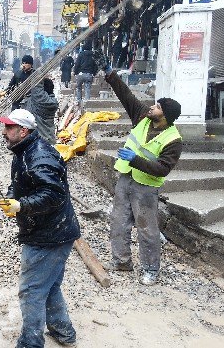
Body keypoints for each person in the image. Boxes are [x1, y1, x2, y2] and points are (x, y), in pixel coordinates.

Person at [0, 109, 81, 348]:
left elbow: (53, 194)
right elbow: (23, 182)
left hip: (49, 235)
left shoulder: (39, 156)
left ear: (23, 131)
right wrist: (12, 196)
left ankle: (30, 343)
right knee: (49, 284)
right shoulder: (25, 150)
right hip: (53, 230)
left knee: (32, 290)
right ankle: (63, 332)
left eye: (9, 128)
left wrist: (21, 205)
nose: (4, 132)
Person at [104, 65, 182, 286]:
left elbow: (163, 168)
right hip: (126, 178)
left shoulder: (173, 140)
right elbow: (126, 95)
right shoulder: (142, 117)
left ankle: (150, 269)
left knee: (147, 229)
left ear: (164, 116)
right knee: (118, 222)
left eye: (157, 106)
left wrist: (135, 160)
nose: (152, 107)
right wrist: (111, 76)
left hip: (146, 187)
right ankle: (121, 261)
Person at [24, 78, 58, 145]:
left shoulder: (43, 101)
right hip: (48, 140)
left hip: (40, 143)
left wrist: (37, 71)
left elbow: (37, 88)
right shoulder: (52, 101)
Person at [73, 42, 98, 108]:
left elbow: (77, 65)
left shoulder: (81, 54)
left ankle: (79, 101)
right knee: (87, 88)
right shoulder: (93, 55)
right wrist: (93, 73)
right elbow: (96, 66)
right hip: (89, 74)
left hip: (80, 74)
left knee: (78, 87)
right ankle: (87, 103)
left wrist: (75, 73)